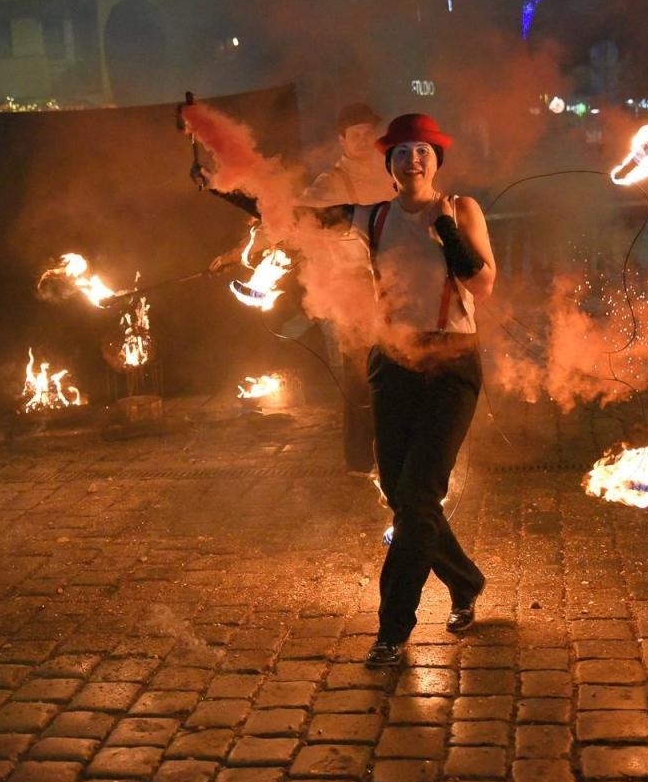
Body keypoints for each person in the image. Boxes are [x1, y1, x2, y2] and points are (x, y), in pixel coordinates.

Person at [202, 113, 497, 669]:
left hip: (452, 362)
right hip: (392, 362)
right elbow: (297, 220)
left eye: (423, 151)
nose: (413, 158)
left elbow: (482, 282)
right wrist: (222, 188)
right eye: (402, 151)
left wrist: (447, 231)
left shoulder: (461, 209)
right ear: (389, 165)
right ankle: (465, 580)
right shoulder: (373, 217)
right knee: (400, 492)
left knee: (419, 495)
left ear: (437, 160)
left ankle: (392, 630)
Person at [299, 102, 399, 474]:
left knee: (396, 369)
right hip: (352, 290)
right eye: (355, 134)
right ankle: (360, 459)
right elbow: (295, 218)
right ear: (341, 139)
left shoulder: (392, 172)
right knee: (360, 376)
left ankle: (392, 449)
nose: (363, 139)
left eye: (369, 132)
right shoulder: (331, 183)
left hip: (394, 284)